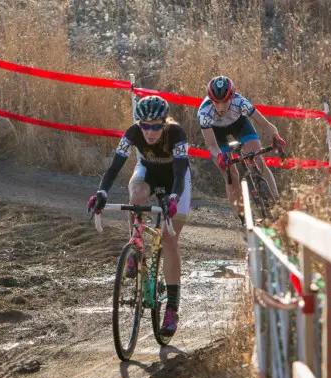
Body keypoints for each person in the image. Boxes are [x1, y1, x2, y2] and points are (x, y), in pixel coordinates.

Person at [87, 95, 191, 340]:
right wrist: (101, 192)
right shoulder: (133, 133)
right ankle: (136, 244)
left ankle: (172, 309)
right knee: (137, 193)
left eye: (156, 126)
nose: (150, 132)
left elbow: (179, 171)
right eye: (145, 125)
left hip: (175, 180)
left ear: (164, 124)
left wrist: (173, 197)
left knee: (168, 241)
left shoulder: (176, 134)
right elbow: (114, 167)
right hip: (147, 173)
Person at [198, 75, 286, 227]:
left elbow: (266, 124)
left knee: (257, 158)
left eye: (224, 102)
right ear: (210, 100)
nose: (220, 107)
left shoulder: (241, 102)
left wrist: (275, 136)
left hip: (239, 125)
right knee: (230, 175)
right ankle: (243, 218)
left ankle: (277, 203)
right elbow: (212, 145)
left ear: (231, 98)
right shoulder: (204, 113)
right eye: (216, 102)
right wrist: (219, 156)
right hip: (217, 135)